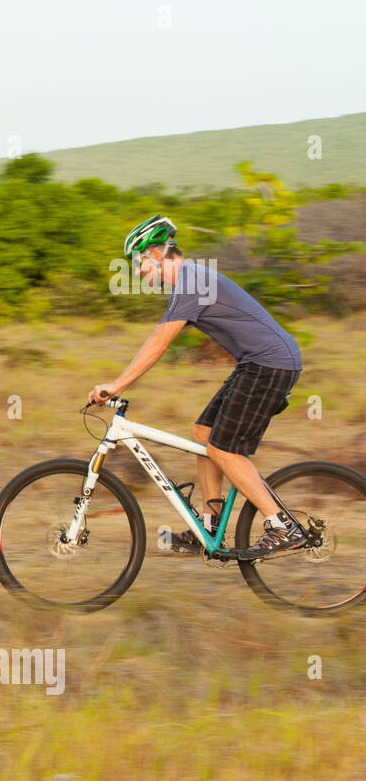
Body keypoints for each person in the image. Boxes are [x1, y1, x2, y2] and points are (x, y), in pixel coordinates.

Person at [89, 214, 304, 560]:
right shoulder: (190, 282)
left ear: (158, 253)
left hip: (269, 363)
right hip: (257, 362)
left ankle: (282, 525)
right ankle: (209, 524)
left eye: (139, 262)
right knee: (203, 432)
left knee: (225, 449)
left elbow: (158, 344)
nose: (138, 272)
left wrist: (114, 386)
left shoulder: (191, 281)